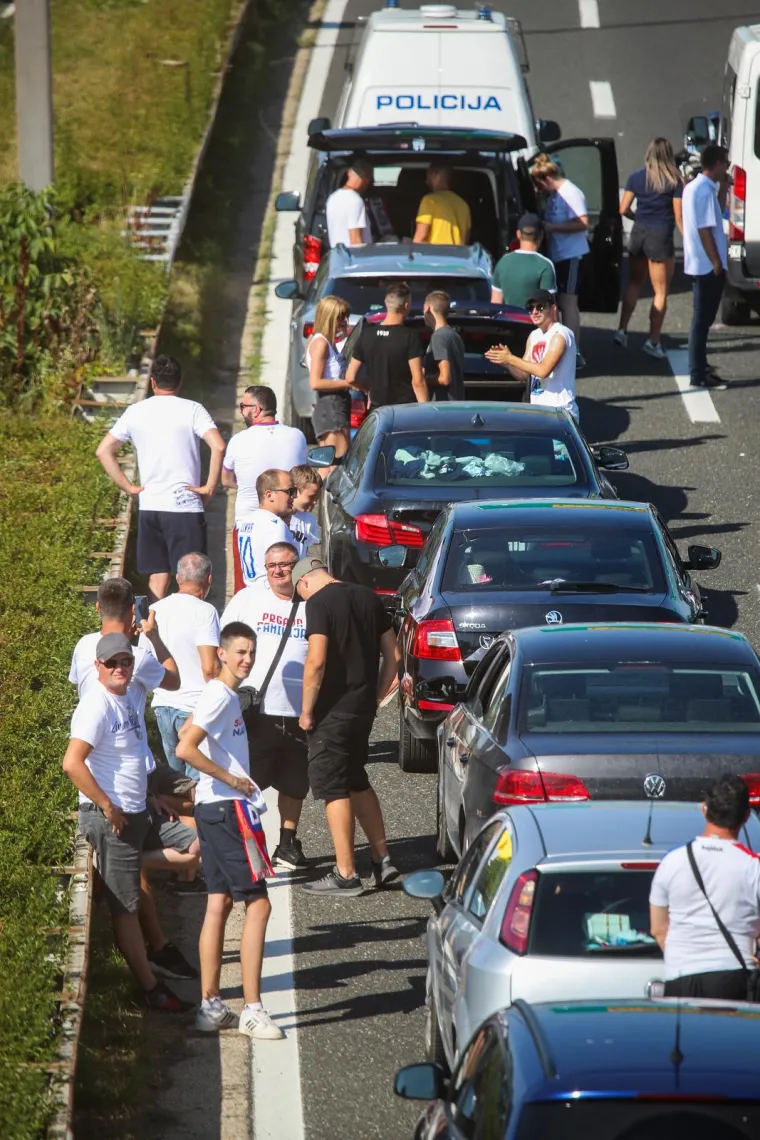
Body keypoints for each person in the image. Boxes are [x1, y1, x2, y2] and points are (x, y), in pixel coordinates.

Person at [63, 633, 197, 1011]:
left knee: (195, 848)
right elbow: (72, 763)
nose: (120, 669)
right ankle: (153, 989)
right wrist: (106, 805)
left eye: (125, 662)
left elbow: (131, 758)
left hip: (138, 811)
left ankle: (122, 862)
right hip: (113, 818)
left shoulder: (127, 700)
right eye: (112, 663)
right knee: (127, 904)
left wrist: (151, 796)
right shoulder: (96, 706)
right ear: (98, 667)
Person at [176, 622, 284, 1040]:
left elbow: (186, 732)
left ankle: (211, 1005)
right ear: (221, 653)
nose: (247, 659)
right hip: (227, 809)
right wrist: (233, 779)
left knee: (218, 903)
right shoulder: (221, 696)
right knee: (258, 905)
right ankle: (253, 1010)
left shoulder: (220, 695)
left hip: (213, 808)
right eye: (239, 652)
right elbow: (186, 747)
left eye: (251, 652)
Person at [293, 556, 400, 896]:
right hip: (361, 710)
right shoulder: (369, 597)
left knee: (333, 786)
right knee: (356, 778)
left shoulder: (319, 603)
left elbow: (317, 660)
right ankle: (382, 859)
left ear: (304, 582)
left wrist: (307, 711)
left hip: (332, 713)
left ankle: (345, 872)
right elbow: (394, 657)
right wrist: (376, 696)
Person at [96, 355, 226, 602]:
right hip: (185, 505)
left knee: (157, 577)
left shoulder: (135, 412)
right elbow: (218, 446)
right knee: (191, 578)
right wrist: (209, 487)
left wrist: (129, 487)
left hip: (151, 505)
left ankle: (152, 633)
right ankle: (188, 634)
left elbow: (104, 450)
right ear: (180, 382)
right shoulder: (193, 409)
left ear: (152, 382)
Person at [221, 543, 309, 870]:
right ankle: (245, 848)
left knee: (295, 783)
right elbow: (224, 644)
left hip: (299, 712)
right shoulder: (249, 598)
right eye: (271, 565)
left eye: (284, 565)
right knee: (248, 781)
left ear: (296, 567)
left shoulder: (311, 605)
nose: (277, 571)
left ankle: (287, 844)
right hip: (257, 711)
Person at [650, 774, 760, 1000]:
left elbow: (658, 930)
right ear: (747, 816)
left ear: (704, 809)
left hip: (679, 978)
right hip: (735, 979)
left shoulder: (673, 861)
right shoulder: (753, 866)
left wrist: (683, 958)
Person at [222, 385, 307, 593]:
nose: (242, 411)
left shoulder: (238, 441)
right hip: (290, 522)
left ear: (257, 409)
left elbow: (226, 479)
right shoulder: (297, 436)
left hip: (247, 525)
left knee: (247, 589)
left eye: (244, 406)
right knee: (289, 586)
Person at [144, 553, 221, 777]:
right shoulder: (205, 612)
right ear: (209, 580)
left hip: (162, 707)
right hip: (193, 710)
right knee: (199, 784)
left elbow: (145, 659)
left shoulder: (155, 610)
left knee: (177, 786)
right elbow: (210, 669)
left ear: (177, 577)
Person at [615, 139, 684, 360]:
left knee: (634, 283)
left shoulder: (636, 177)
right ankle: (653, 340)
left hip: (639, 234)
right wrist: (690, 241)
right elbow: (679, 216)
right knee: (660, 291)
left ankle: (622, 329)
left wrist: (638, 218)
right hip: (660, 236)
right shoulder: (674, 179)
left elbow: (623, 208)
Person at [69, 576, 180, 699]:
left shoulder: (83, 644)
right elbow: (174, 682)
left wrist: (127, 635)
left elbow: (78, 684)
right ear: (133, 609)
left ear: (97, 607)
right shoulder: (137, 657)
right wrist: (154, 637)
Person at [484, 289, 578, 420]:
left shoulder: (560, 334)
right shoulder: (534, 336)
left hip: (559, 412)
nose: (534, 312)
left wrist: (511, 358)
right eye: (530, 308)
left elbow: (543, 370)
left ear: (553, 308)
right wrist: (506, 363)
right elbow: (523, 375)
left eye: (540, 307)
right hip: (538, 410)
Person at [681, 143, 731, 390]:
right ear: (718, 164)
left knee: (703, 320)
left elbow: (716, 213)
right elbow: (704, 230)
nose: (728, 167)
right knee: (701, 322)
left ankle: (701, 368)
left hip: (702, 264)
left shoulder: (698, 188)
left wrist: (725, 188)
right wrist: (716, 263)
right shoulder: (702, 190)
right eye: (726, 163)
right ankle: (697, 374)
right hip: (706, 266)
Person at [531, 154, 589, 363]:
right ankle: (562, 346)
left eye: (539, 184)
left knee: (568, 303)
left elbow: (583, 223)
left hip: (571, 255)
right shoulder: (555, 194)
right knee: (559, 302)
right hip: (558, 255)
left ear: (546, 179)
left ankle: (574, 351)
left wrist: (553, 227)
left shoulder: (571, 192)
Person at [345, 283, 427, 409]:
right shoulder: (410, 336)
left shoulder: (367, 334)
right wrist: (426, 411)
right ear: (406, 306)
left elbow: (350, 377)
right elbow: (418, 381)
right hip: (404, 410)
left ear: (385, 302)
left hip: (377, 411)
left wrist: (370, 388)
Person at [305, 295, 353, 458]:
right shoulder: (321, 343)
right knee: (338, 462)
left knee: (328, 465)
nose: (344, 322)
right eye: (340, 318)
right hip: (331, 406)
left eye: (345, 317)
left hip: (333, 406)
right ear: (329, 317)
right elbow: (315, 382)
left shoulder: (326, 341)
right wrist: (347, 383)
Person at [236, 469, 301, 587]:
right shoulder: (274, 526)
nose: (294, 496)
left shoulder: (247, 521)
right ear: (269, 495)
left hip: (251, 591)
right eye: (290, 491)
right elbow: (281, 571)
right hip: (271, 594)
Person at [490, 213, 557, 307]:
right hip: (530, 321)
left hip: (507, 321)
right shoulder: (545, 265)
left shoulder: (502, 263)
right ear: (541, 235)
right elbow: (548, 310)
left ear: (518, 234)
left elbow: (495, 304)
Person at [413, 163, 471, 246]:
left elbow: (419, 240)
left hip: (436, 257)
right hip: (458, 258)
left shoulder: (430, 201)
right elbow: (466, 241)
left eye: (428, 176)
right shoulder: (463, 204)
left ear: (436, 175)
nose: (426, 181)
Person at [423, 290, 465, 401]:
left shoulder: (438, 337)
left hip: (441, 407)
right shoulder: (454, 335)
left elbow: (444, 378)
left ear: (428, 308)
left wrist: (420, 379)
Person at [326, 158, 373, 248]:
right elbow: (355, 241)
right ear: (366, 180)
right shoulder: (356, 201)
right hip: (353, 259)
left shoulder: (332, 199)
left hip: (338, 257)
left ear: (349, 173)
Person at [288, 465, 323, 551]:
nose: (315, 502)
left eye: (317, 498)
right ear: (295, 491)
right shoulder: (275, 516)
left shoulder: (308, 520)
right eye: (311, 497)